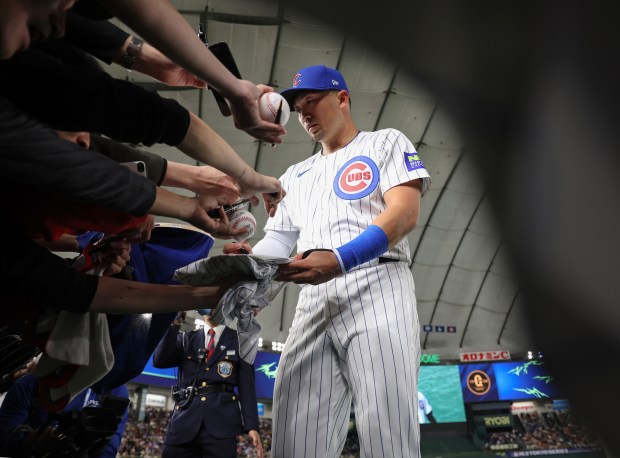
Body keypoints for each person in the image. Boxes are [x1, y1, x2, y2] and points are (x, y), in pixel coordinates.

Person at [232, 65, 431, 458]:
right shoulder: (295, 174)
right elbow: (279, 241)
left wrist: (341, 259)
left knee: (388, 433)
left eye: (312, 101)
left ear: (342, 98)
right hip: (312, 301)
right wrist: (248, 263)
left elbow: (404, 214)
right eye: (297, 106)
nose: (303, 112)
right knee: (294, 440)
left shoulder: (385, 142)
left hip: (378, 286)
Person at [152, 313, 263, 458]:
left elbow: (247, 388)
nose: (211, 309)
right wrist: (174, 323)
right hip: (184, 424)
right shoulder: (186, 338)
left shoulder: (239, 342)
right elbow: (159, 361)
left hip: (222, 426)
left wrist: (252, 426)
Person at [0, 374, 129, 458]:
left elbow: (108, 450)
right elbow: (4, 437)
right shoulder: (33, 382)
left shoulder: (117, 392)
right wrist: (31, 441)